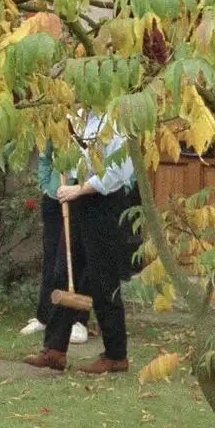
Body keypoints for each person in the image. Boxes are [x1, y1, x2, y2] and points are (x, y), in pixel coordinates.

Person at [23, 110, 140, 374]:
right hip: (79, 199)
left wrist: (80, 189)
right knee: (64, 272)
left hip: (104, 202)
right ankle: (55, 350)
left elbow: (116, 174)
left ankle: (116, 354)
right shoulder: (75, 119)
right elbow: (69, 159)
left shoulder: (115, 121)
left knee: (102, 278)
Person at [19, 141, 88, 346]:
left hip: (79, 193)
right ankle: (45, 316)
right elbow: (45, 155)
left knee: (76, 258)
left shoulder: (89, 124)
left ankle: (78, 321)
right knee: (51, 258)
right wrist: (45, 184)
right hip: (53, 196)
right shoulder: (56, 121)